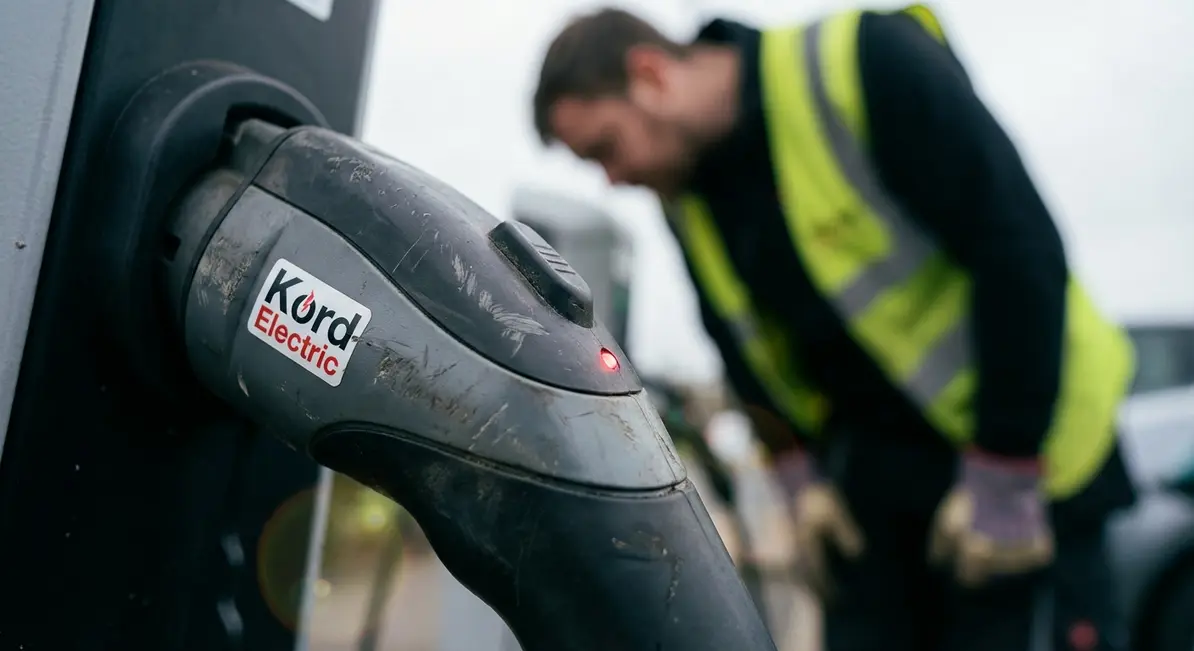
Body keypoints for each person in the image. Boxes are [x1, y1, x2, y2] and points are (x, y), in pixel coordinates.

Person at [530, 5, 1138, 651]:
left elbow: (1018, 249)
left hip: (1030, 467)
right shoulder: (686, 195)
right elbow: (739, 340)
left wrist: (1006, 468)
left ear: (652, 75)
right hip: (882, 494)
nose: (614, 179)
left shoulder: (862, 65)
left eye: (606, 148)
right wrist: (795, 472)